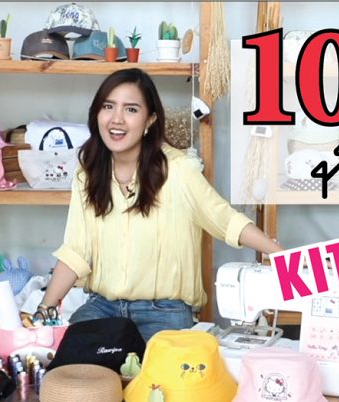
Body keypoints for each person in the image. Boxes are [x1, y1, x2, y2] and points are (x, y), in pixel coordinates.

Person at [39, 68, 283, 341]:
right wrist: (43, 311)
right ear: (96, 113)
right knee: (70, 359)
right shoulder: (88, 174)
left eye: (131, 109)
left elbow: (225, 220)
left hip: (164, 312)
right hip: (102, 308)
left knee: (155, 369)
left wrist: (284, 257)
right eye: (108, 106)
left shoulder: (179, 170)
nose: (116, 118)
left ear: (150, 120)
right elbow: (75, 251)